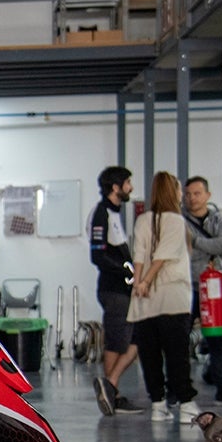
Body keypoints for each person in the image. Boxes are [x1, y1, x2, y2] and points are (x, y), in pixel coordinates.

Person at [127, 171, 198, 421]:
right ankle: (186, 404)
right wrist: (146, 280)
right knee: (177, 353)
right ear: (172, 192)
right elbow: (163, 256)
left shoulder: (142, 220)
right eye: (179, 189)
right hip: (172, 297)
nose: (182, 194)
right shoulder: (177, 221)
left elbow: (139, 253)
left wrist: (139, 283)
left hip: (145, 299)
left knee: (150, 354)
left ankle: (158, 404)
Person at [89, 166, 141, 416]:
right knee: (117, 342)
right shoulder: (101, 214)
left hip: (123, 290)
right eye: (128, 182)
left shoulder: (114, 213)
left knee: (131, 341)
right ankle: (112, 393)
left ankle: (110, 388)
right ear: (116, 187)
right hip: (114, 291)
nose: (131, 187)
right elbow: (97, 256)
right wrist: (126, 271)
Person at [184, 175, 222, 404]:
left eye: (197, 193)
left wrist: (196, 241)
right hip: (187, 287)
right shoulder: (179, 221)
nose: (192, 199)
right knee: (180, 340)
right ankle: (178, 390)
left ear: (207, 195)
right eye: (188, 194)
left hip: (213, 290)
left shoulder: (219, 219)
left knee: (218, 341)